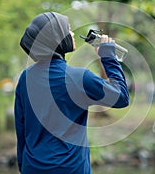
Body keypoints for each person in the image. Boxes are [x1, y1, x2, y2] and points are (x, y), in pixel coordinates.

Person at [14, 12, 129, 174]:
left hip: (33, 167)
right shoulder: (79, 77)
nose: (72, 33)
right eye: (67, 29)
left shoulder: (25, 78)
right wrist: (109, 57)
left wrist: (23, 166)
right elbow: (122, 97)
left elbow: (21, 128)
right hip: (72, 168)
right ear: (56, 37)